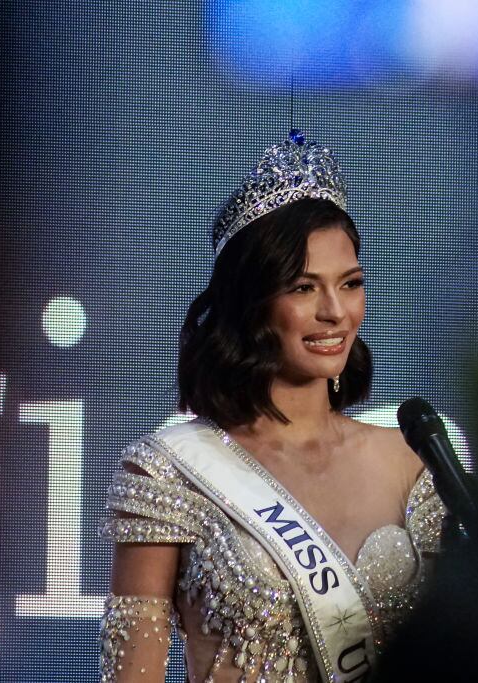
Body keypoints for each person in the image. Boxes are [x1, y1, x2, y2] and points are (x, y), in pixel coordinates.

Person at [99, 131, 445, 682]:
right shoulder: (170, 473)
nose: (335, 312)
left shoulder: (411, 462)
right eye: (304, 288)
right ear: (252, 304)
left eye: (350, 283)